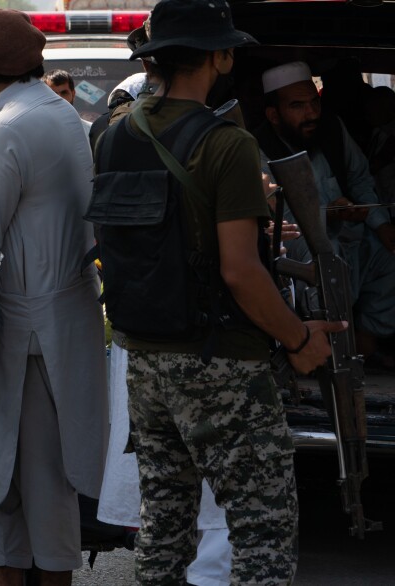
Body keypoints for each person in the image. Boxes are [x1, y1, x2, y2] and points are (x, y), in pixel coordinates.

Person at [93, 2, 344, 584]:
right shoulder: (226, 143)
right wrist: (299, 337)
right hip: (220, 360)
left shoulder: (111, 135)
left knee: (165, 519)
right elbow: (241, 271)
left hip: (145, 356)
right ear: (218, 56)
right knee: (262, 528)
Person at [0, 8, 107, 584]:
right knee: (32, 485)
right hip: (56, 322)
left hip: (27, 335)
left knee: (25, 487)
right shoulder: (59, 112)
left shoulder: (7, 129)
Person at [255, 60, 395, 369]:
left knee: (390, 257)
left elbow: (359, 178)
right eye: (297, 106)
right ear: (273, 115)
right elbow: (281, 217)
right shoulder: (258, 150)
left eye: (313, 103)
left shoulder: (330, 127)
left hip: (351, 236)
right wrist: (328, 217)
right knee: (324, 265)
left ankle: (363, 348)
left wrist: (380, 223)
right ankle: (326, 359)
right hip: (301, 245)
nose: (311, 113)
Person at [42, 68, 92, 136]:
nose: (59, 98)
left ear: (73, 94)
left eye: (64, 93)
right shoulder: (34, 132)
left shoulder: (91, 131)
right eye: (53, 94)